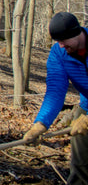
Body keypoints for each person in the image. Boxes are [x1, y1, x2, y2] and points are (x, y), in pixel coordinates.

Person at [22, 12, 88, 184]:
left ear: (76, 33)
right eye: (57, 41)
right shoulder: (59, 53)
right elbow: (55, 92)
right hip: (87, 105)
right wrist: (41, 124)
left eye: (63, 40)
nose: (60, 45)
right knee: (80, 161)